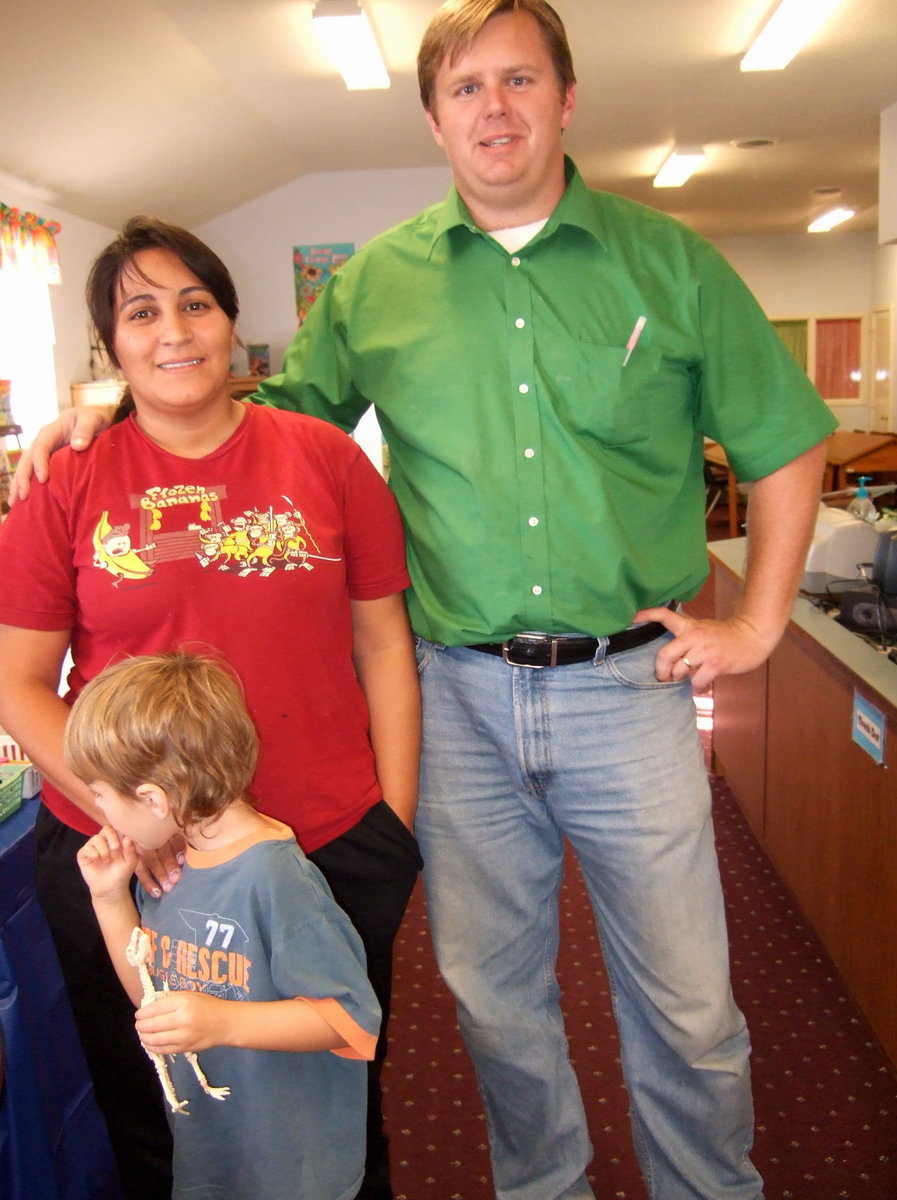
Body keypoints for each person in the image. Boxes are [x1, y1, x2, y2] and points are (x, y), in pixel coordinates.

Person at [13, 3, 840, 1198]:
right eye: (465, 88)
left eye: (519, 81)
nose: (493, 109)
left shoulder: (669, 263)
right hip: (458, 692)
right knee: (495, 1003)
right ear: (434, 118)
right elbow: (258, 412)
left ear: (567, 99)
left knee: (688, 1001)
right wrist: (100, 402)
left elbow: (784, 442)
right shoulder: (376, 285)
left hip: (630, 685)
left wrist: (759, 623)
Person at [0, 217, 420, 1200]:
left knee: (335, 1101)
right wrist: (126, 817)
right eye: (142, 311)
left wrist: (392, 825)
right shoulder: (67, 481)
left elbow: (385, 645)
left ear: (232, 323)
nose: (175, 330)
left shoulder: (325, 459)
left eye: (197, 303)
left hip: (320, 840)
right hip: (131, 863)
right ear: (112, 343)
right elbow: (18, 680)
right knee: (162, 1107)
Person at [70, 651, 381, 1200]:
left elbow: (351, 1023)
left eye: (99, 794)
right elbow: (153, 999)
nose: (96, 810)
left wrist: (222, 1022)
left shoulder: (273, 876)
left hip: (290, 1163)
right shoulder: (173, 860)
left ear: (153, 799)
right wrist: (109, 898)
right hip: (214, 1144)